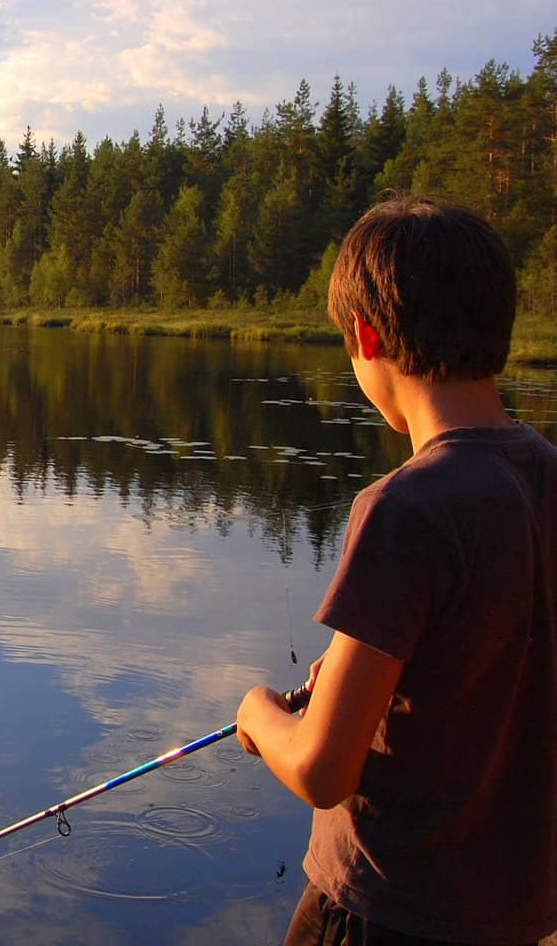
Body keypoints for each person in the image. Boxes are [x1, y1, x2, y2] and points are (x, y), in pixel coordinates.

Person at [235, 195, 557, 946]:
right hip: (516, 913)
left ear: (367, 336)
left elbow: (322, 771)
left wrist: (259, 713)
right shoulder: (546, 474)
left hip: (382, 911)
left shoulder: (407, 505)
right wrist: (362, 682)